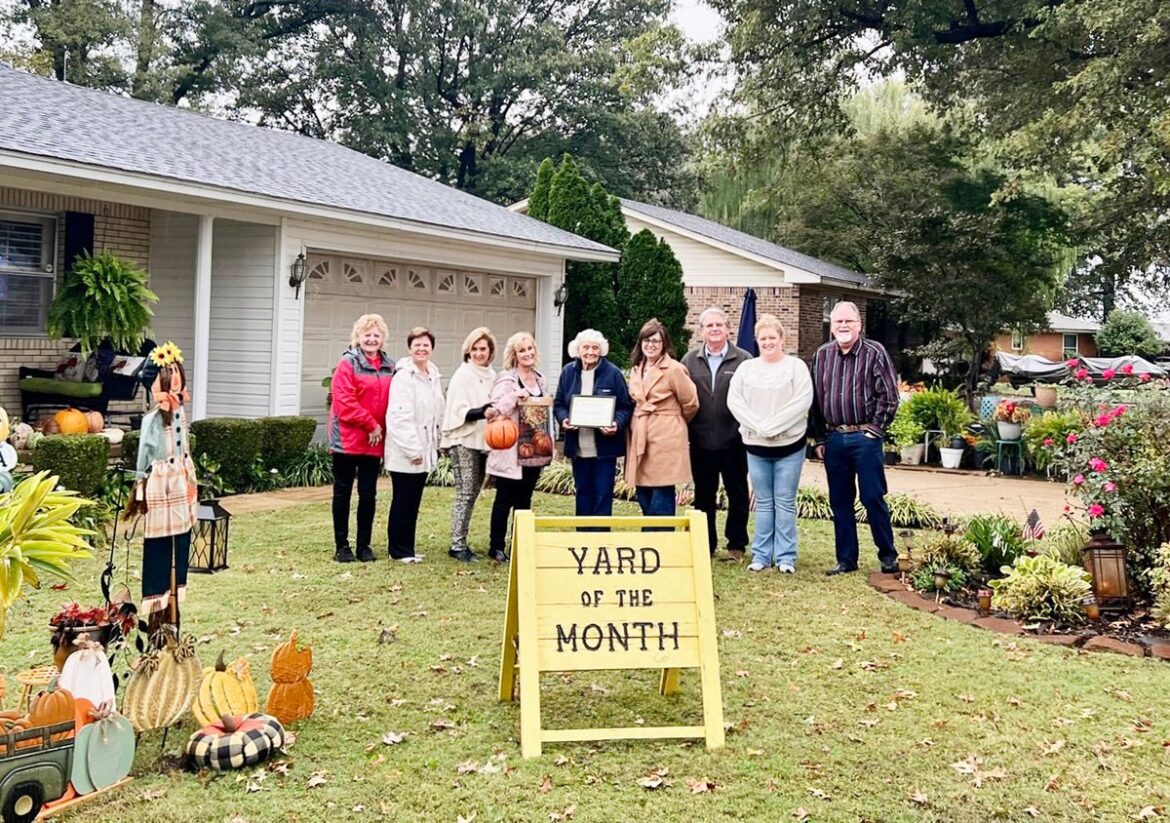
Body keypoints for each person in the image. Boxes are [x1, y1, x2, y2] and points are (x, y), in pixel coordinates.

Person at [810, 301, 900, 575]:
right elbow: (814, 400)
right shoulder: (822, 355)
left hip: (865, 437)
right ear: (832, 326)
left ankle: (887, 555)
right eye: (838, 322)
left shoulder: (874, 353)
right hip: (834, 438)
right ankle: (846, 559)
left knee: (872, 497)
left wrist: (875, 430)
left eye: (849, 321)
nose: (843, 326)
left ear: (859, 325)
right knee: (840, 501)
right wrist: (819, 438)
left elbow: (890, 396)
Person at [727, 315, 814, 573]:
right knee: (763, 502)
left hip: (789, 446)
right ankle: (761, 555)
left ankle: (786, 557)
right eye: (763, 338)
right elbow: (735, 401)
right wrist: (758, 426)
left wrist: (773, 426)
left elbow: (801, 402)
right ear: (757, 341)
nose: (767, 342)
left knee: (785, 501)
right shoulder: (747, 369)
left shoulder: (796, 367)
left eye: (772, 338)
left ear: (781, 339)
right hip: (756, 446)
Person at [131, 342, 198, 636]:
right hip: (160, 483)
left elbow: (185, 446)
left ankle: (176, 604)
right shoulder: (151, 420)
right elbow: (143, 458)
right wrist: (139, 489)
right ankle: (158, 613)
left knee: (180, 542)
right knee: (158, 546)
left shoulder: (181, 413)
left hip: (181, 479)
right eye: (167, 375)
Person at [682, 306, 753, 560]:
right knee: (704, 496)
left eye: (719, 325)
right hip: (700, 441)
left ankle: (736, 545)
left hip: (735, 440)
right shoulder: (689, 360)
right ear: (701, 331)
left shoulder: (744, 359)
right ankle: (706, 544)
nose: (714, 329)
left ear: (727, 328)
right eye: (709, 326)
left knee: (737, 493)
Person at [328, 314, 394, 563]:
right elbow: (344, 402)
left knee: (368, 494)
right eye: (367, 334)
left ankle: (364, 545)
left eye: (376, 335)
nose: (371, 339)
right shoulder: (348, 363)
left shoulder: (390, 366)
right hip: (347, 440)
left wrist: (379, 429)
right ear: (358, 337)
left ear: (382, 339)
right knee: (343, 493)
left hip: (373, 443)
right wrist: (371, 424)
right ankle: (342, 546)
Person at [487, 332, 553, 562]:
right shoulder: (506, 379)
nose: (527, 354)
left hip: (535, 448)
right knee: (505, 498)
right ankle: (496, 546)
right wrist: (514, 396)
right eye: (522, 350)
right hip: (511, 449)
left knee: (524, 500)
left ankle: (520, 543)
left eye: (530, 349)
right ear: (514, 355)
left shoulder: (541, 379)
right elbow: (494, 411)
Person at [554, 329, 633, 517]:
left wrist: (616, 423)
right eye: (586, 347)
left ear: (602, 350)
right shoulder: (568, 372)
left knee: (603, 495)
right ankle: (582, 540)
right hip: (578, 448)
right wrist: (564, 418)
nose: (590, 352)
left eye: (595, 348)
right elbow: (559, 404)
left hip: (605, 449)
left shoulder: (613, 373)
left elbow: (625, 407)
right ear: (578, 349)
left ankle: (599, 540)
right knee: (582, 493)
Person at [626, 318, 700, 519]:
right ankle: (650, 537)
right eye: (647, 341)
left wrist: (671, 422)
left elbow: (691, 402)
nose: (651, 345)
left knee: (661, 492)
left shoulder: (674, 369)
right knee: (643, 492)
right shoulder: (636, 369)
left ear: (664, 344)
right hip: (641, 433)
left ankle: (662, 539)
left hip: (666, 436)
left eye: (656, 341)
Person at [385, 327, 444, 563]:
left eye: (426, 345)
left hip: (425, 449)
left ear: (431, 348)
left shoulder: (432, 375)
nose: (422, 348)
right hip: (406, 451)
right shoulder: (403, 377)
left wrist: (436, 444)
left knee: (413, 502)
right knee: (403, 500)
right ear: (410, 348)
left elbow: (436, 414)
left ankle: (407, 547)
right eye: (417, 344)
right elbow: (399, 417)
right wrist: (413, 449)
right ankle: (398, 550)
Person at [440, 327, 499, 562]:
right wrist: (483, 411)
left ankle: (462, 539)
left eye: (482, 349)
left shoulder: (492, 375)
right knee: (465, 491)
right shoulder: (463, 374)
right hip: (463, 438)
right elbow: (457, 410)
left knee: (474, 491)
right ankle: (457, 545)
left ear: (490, 351)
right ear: (468, 351)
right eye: (474, 349)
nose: (478, 353)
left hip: (483, 439)